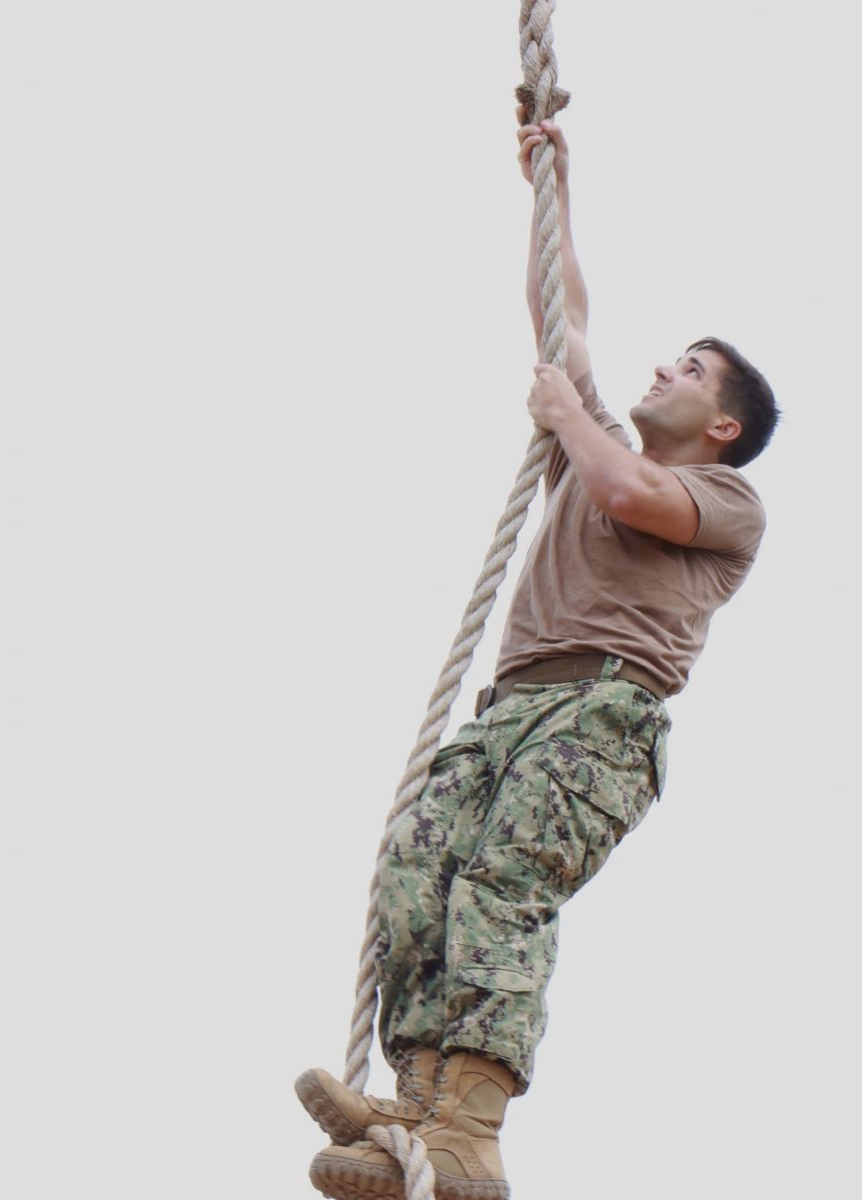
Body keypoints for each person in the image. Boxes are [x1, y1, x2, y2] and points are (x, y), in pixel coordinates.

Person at [298, 113, 780, 1200]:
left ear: (723, 426)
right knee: (419, 874)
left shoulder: (726, 498)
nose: (667, 367)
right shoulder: (594, 437)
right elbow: (564, 319)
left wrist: (569, 413)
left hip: (601, 713)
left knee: (503, 886)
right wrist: (550, 187)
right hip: (512, 702)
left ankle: (470, 1128)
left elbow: (623, 490)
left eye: (692, 368)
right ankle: (415, 1106)